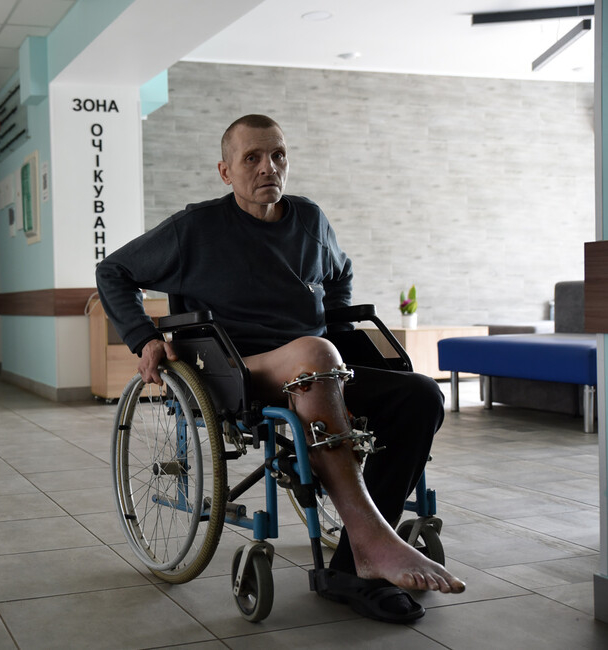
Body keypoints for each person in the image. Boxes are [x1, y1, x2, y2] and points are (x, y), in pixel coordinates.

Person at [96, 114, 465, 623]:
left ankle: (353, 566)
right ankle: (377, 542)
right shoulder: (195, 229)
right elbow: (113, 271)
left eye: (278, 155)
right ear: (225, 171)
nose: (268, 167)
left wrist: (337, 328)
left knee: (421, 395)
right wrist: (144, 337)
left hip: (320, 366)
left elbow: (340, 272)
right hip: (239, 370)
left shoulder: (309, 220)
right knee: (314, 353)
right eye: (252, 158)